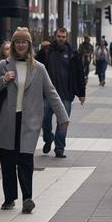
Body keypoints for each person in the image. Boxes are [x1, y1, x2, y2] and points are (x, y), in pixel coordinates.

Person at [0, 28, 70, 213]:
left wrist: (63, 117)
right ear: (13, 45)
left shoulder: (38, 68)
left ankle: (27, 198)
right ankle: (9, 198)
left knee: (25, 160)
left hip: (28, 121)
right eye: (17, 42)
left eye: (24, 42)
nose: (21, 45)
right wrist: (3, 79)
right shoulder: (3, 65)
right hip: (7, 120)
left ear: (29, 45)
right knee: (7, 160)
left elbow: (52, 92)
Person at [35, 28, 85, 158]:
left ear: (66, 37)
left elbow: (80, 73)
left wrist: (81, 93)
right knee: (44, 120)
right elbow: (34, 69)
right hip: (47, 95)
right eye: (59, 36)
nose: (61, 39)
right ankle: (48, 138)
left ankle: (59, 148)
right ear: (55, 36)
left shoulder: (73, 53)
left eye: (63, 36)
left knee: (63, 123)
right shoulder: (45, 52)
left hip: (66, 95)